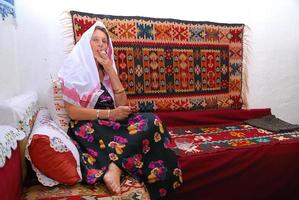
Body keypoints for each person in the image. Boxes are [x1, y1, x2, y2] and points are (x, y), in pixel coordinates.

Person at [58, 21, 182, 199]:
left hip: (110, 122)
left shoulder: (106, 68)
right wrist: (110, 114)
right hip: (89, 125)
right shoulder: (75, 69)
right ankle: (115, 167)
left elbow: (122, 102)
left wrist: (110, 69)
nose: (101, 44)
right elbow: (72, 112)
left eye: (104, 41)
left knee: (151, 120)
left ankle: (116, 165)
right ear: (87, 43)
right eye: (96, 40)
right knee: (142, 130)